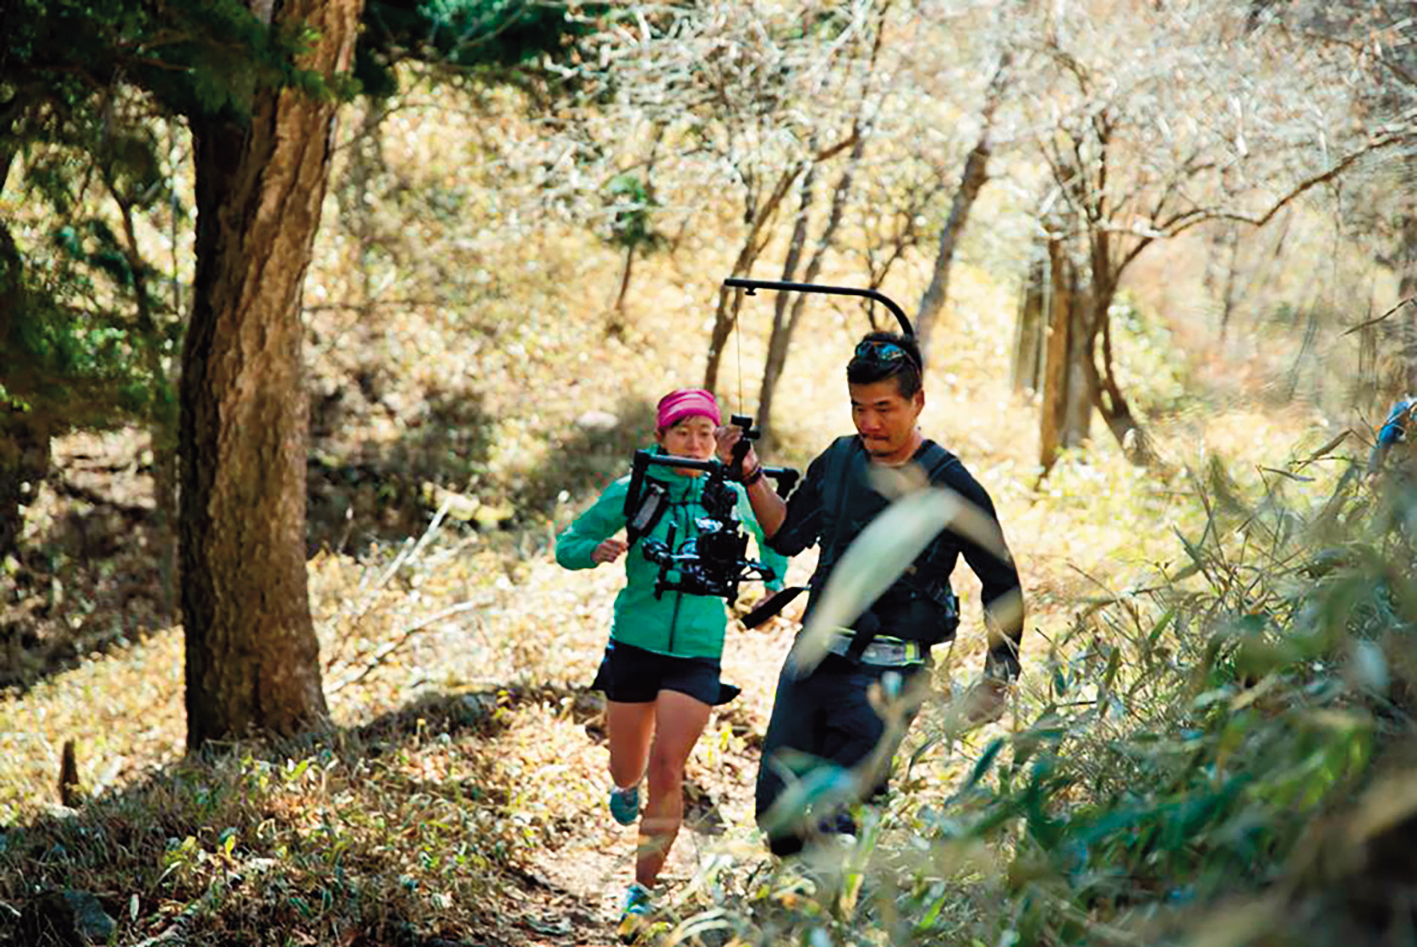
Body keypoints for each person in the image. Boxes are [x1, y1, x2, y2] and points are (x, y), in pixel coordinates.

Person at [716, 331, 1025, 856]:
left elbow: (1003, 586)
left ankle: (834, 921)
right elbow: (787, 533)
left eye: (884, 408)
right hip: (811, 662)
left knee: (843, 820)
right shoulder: (839, 459)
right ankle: (795, 915)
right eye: (859, 408)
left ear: (917, 401)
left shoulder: (950, 484)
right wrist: (749, 477)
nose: (869, 423)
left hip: (888, 678)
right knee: (778, 812)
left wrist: (997, 679)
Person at [555, 388, 787, 929]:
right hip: (635, 642)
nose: (695, 441)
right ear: (660, 437)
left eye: (705, 433)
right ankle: (623, 786)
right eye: (682, 431)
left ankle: (641, 890)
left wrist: (771, 585)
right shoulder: (633, 489)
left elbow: (777, 538)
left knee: (668, 766)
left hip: (697, 653)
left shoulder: (732, 493)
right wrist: (593, 551)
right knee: (628, 765)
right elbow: (569, 542)